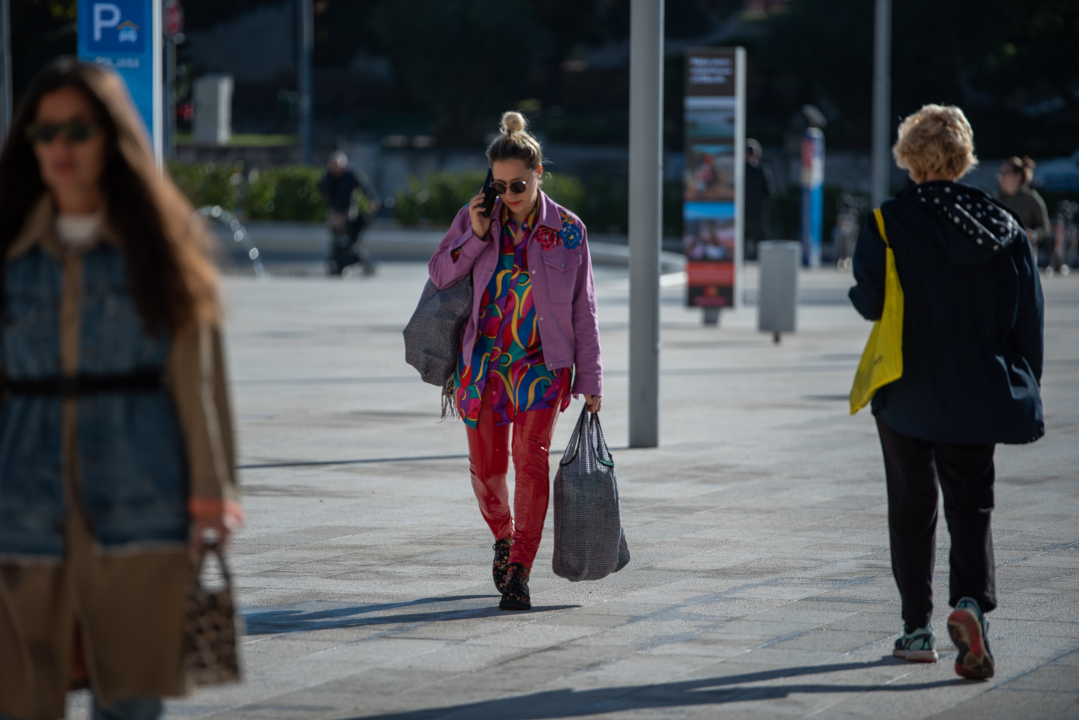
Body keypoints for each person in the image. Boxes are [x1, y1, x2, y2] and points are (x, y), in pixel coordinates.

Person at [0, 59, 240, 720]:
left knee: (131, 696)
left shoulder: (162, 246)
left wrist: (212, 493)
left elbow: (199, 379)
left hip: (142, 494)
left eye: (78, 130)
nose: (60, 148)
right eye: (45, 134)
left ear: (110, 137)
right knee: (20, 694)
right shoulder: (8, 248)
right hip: (21, 498)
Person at [849, 104, 1043, 680]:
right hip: (978, 386)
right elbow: (1027, 320)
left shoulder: (889, 221)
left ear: (910, 157)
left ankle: (916, 629)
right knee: (971, 505)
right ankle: (971, 605)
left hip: (906, 385)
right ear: (964, 158)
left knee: (912, 509)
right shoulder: (1005, 225)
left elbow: (871, 301)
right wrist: (1019, 381)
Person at [428, 111, 602, 612]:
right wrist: (475, 234)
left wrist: (591, 378)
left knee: (530, 466)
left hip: (542, 370)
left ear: (539, 173)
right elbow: (440, 273)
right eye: (499, 185)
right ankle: (503, 535)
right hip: (482, 367)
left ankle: (520, 569)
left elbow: (583, 310)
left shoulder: (569, 231)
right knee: (486, 472)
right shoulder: (477, 219)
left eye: (518, 184)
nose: (509, 194)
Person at [319, 150, 380, 275]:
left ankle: (350, 253)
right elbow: (326, 195)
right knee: (337, 234)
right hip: (335, 210)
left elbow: (365, 186)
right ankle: (338, 256)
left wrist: (373, 200)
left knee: (351, 236)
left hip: (348, 209)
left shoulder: (350, 175)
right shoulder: (328, 177)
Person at [994, 156, 1050, 257]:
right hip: (1002, 254)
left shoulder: (1031, 199)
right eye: (1000, 173)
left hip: (1026, 254)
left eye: (1006, 173)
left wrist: (1034, 235)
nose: (1001, 177)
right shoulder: (995, 199)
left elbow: (1045, 227)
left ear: (1018, 176)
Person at [744, 139, 776, 259]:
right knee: (763, 249)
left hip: (741, 216)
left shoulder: (738, 171)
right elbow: (770, 193)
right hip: (758, 216)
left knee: (740, 250)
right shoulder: (762, 170)